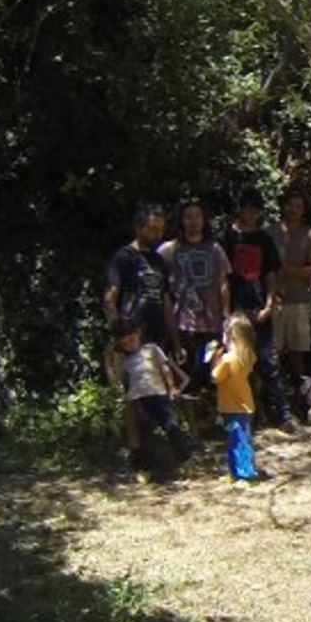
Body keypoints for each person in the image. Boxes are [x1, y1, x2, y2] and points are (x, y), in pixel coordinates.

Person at [220, 189, 300, 432]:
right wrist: (226, 312)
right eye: (248, 209)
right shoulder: (227, 238)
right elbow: (222, 277)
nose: (252, 214)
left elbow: (271, 274)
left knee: (268, 362)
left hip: (260, 307)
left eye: (257, 210)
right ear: (240, 208)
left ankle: (281, 415)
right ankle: (243, 415)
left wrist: (269, 303)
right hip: (236, 310)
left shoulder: (264, 239)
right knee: (238, 364)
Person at [158, 198, 231, 396]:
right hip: (183, 325)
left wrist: (226, 316)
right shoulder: (169, 250)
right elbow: (161, 287)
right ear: (181, 220)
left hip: (212, 324)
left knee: (213, 374)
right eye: (188, 217)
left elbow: (223, 283)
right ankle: (189, 421)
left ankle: (213, 418)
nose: (193, 221)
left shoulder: (215, 249)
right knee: (185, 377)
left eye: (197, 216)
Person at [107, 321, 195, 482]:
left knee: (172, 427)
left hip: (158, 394)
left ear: (138, 334)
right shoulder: (124, 360)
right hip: (139, 399)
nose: (129, 345)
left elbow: (165, 368)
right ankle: (146, 468)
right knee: (145, 435)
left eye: (132, 340)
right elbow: (115, 380)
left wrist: (172, 387)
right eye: (125, 343)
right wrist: (108, 360)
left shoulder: (152, 349)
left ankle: (185, 461)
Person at [105, 203, 179, 355]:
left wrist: (175, 342)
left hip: (158, 340)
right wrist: (120, 337)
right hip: (132, 339)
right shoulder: (124, 257)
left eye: (161, 230)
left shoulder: (159, 261)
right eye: (153, 229)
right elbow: (109, 301)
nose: (158, 234)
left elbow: (166, 302)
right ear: (139, 228)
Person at [269, 190, 311, 385]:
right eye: (290, 205)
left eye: (299, 206)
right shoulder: (271, 232)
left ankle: (301, 392)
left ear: (304, 210)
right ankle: (275, 394)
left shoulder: (310, 235)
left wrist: (287, 269)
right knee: (273, 353)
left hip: (299, 300)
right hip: (273, 300)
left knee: (298, 352)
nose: (293, 210)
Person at [211, 315, 262, 486]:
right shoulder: (248, 356)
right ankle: (236, 472)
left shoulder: (228, 359)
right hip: (243, 405)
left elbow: (215, 377)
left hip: (233, 406)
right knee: (240, 439)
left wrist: (214, 360)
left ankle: (247, 475)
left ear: (232, 336)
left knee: (238, 441)